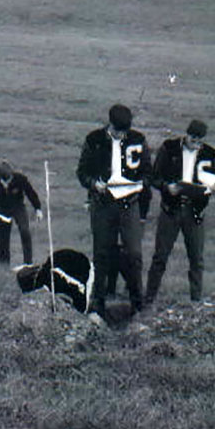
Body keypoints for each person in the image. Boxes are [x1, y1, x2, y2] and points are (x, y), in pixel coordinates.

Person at [77, 104, 151, 319]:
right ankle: (98, 302)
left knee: (134, 253)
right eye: (118, 131)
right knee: (101, 253)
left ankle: (137, 302)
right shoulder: (94, 140)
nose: (121, 135)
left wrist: (140, 184)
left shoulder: (138, 139)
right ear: (110, 124)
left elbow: (148, 171)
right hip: (103, 204)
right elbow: (82, 172)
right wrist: (94, 184)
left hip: (130, 203)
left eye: (124, 131)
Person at [145, 119, 215, 304]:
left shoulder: (209, 153)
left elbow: (213, 181)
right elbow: (155, 177)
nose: (197, 144)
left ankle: (196, 300)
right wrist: (166, 187)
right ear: (187, 134)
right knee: (160, 256)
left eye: (200, 140)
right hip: (171, 209)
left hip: (195, 212)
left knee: (196, 259)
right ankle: (148, 299)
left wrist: (213, 189)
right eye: (194, 139)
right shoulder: (170, 148)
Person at [0, 160, 42, 267]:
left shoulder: (20, 179)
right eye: (4, 182)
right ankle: (4, 265)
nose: (7, 183)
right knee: (3, 237)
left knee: (25, 231)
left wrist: (38, 208)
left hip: (18, 207)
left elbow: (30, 193)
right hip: (2, 209)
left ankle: (28, 263)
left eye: (9, 180)